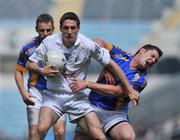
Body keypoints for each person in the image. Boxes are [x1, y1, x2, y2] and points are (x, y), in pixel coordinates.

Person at [26, 12, 140, 140]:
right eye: (66, 28)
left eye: (73, 28)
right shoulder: (49, 42)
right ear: (60, 28)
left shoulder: (87, 44)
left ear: (78, 28)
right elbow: (30, 63)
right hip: (54, 96)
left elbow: (112, 64)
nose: (69, 31)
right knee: (41, 129)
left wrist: (129, 89)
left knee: (99, 136)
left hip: (77, 97)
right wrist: (42, 71)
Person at [71, 39, 163, 140]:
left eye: (156, 61)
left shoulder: (141, 79)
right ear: (142, 51)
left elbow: (117, 91)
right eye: (152, 56)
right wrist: (106, 63)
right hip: (92, 107)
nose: (153, 60)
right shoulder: (120, 55)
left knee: (128, 136)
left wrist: (88, 84)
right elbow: (96, 42)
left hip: (114, 114)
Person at [14, 14, 66, 140]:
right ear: (36, 29)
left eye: (48, 30)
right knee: (34, 134)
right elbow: (18, 71)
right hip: (36, 92)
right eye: (42, 30)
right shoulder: (28, 48)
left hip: (57, 92)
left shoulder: (64, 46)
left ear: (53, 28)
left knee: (60, 132)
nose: (45, 33)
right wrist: (23, 93)